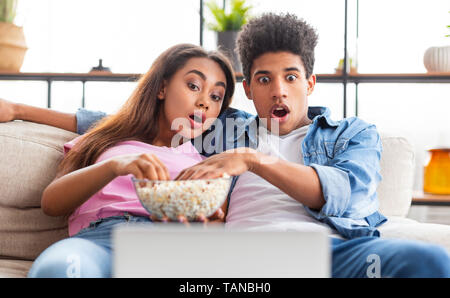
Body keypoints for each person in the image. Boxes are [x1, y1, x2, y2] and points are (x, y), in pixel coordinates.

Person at [2, 13, 450, 278]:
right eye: (264, 80)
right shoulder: (220, 130)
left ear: (310, 82)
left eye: (291, 78)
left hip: (324, 249)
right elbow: (118, 123)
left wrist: (251, 161)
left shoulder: (352, 133)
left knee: (426, 260)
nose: (279, 91)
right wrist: (21, 108)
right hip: (233, 255)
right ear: (249, 91)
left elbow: (342, 193)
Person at [21, 43, 236, 277]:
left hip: (168, 249)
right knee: (59, 270)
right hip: (100, 241)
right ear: (162, 88)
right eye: (194, 85)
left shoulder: (208, 167)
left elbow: (211, 238)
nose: (205, 101)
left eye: (216, 96)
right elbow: (52, 203)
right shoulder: (103, 140)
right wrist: (115, 166)